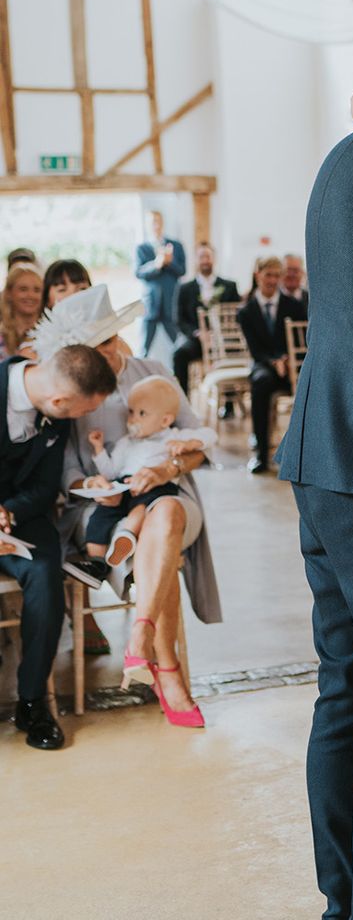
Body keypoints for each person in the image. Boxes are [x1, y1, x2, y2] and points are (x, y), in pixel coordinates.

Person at [34, 285, 222, 729]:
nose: (99, 355)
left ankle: (141, 632)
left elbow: (199, 442)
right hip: (100, 508)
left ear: (116, 337)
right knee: (162, 539)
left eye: (104, 343)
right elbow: (66, 474)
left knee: (168, 514)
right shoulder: (72, 384)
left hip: (166, 492)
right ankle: (166, 668)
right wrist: (91, 482)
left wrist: (168, 468)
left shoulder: (151, 370)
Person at [1, 344, 118, 750]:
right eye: (82, 412)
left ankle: (33, 702)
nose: (84, 419)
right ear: (59, 400)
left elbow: (44, 486)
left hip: (23, 519)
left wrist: (8, 513)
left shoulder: (56, 413)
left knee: (46, 578)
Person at [70, 375, 216, 582]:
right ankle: (97, 563)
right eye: (131, 412)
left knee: (142, 507)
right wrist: (99, 450)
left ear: (165, 420)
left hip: (155, 485)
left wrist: (191, 443)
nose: (132, 420)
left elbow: (210, 434)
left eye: (141, 414)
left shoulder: (172, 437)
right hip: (124, 485)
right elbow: (111, 471)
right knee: (99, 517)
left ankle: (127, 536)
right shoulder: (126, 443)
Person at [237, 255, 307, 474]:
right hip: (263, 364)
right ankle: (261, 455)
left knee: (309, 380)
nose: (273, 280)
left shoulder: (293, 306)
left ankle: (301, 452)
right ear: (258, 275)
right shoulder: (246, 312)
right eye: (268, 275)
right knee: (260, 383)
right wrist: (274, 361)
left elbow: (300, 340)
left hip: (291, 365)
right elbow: (255, 349)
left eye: (277, 275)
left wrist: (286, 359)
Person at [173, 241, 241, 397]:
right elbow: (178, 320)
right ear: (196, 260)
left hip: (224, 340)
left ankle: (228, 404)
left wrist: (220, 334)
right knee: (179, 355)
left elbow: (237, 317)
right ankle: (184, 401)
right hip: (197, 340)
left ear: (214, 259)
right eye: (201, 257)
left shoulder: (229, 286)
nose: (205, 260)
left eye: (208, 256)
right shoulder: (184, 288)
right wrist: (198, 334)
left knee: (236, 352)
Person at [134, 210, 186, 357]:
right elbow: (138, 272)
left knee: (179, 344)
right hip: (151, 305)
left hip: (171, 303)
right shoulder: (142, 249)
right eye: (152, 222)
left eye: (158, 221)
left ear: (162, 223)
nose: (156, 225)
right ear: (147, 225)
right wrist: (156, 264)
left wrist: (169, 262)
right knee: (144, 348)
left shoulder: (176, 245)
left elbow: (182, 270)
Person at [2, 262, 44, 357]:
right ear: (9, 293)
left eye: (37, 290)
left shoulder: (53, 335)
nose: (31, 295)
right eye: (23, 289)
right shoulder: (1, 335)